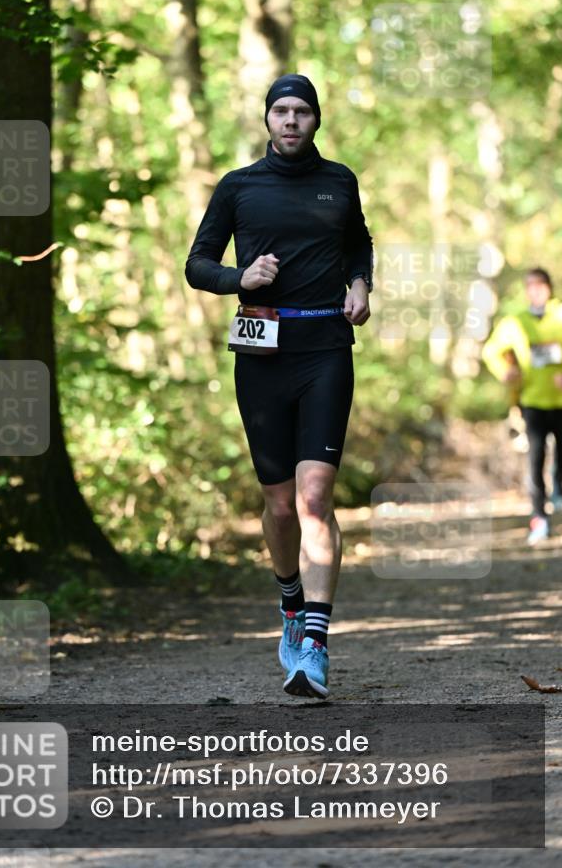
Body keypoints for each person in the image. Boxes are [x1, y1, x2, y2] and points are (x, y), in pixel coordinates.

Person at [185, 74, 373, 698]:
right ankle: (290, 602)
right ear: (267, 120)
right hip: (261, 351)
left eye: (302, 112)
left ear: (316, 120)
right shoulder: (239, 187)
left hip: (325, 349)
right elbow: (197, 265)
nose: (291, 121)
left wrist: (360, 284)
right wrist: (242, 276)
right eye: (281, 111)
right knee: (281, 504)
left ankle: (315, 645)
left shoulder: (339, 181)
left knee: (316, 497)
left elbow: (358, 245)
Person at [482, 268, 562, 544]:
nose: (535, 291)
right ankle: (539, 518)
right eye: (530, 286)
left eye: (540, 285)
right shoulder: (515, 322)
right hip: (532, 403)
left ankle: (559, 491)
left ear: (549, 287)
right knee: (535, 461)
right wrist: (504, 372)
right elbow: (490, 351)